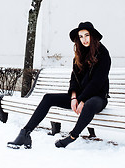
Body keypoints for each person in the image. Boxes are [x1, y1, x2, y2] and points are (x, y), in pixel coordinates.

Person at [7, 21, 111, 149]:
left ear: (93, 36)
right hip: (79, 97)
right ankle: (25, 133)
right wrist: (74, 97)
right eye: (81, 36)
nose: (84, 39)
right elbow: (74, 78)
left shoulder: (103, 54)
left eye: (86, 35)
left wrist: (82, 99)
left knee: (89, 104)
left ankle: (72, 136)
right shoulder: (80, 54)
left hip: (97, 98)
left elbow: (97, 82)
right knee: (48, 98)